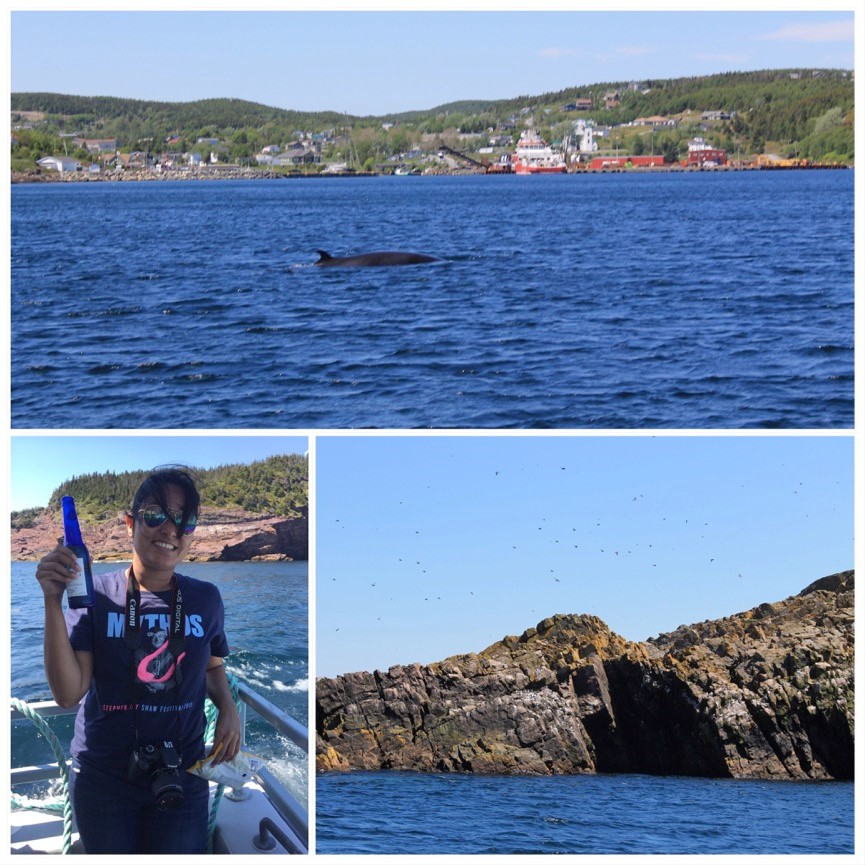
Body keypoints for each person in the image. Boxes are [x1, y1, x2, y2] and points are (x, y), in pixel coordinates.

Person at [35, 467, 242, 854]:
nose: (169, 529)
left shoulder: (207, 599)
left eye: (184, 519)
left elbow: (213, 665)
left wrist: (227, 707)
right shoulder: (95, 594)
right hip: (104, 779)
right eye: (155, 515)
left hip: (183, 774)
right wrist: (51, 599)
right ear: (131, 522)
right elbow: (67, 694)